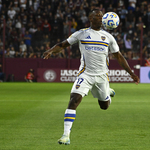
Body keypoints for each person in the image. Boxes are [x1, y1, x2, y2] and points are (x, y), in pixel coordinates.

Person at [43, 9, 139, 145]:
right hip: (85, 75)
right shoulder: (82, 34)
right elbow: (63, 45)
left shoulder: (108, 37)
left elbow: (119, 56)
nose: (101, 17)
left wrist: (131, 73)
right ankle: (66, 135)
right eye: (98, 16)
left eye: (101, 16)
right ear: (91, 18)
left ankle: (107, 92)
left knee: (104, 106)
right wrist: (51, 50)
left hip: (101, 77)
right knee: (74, 100)